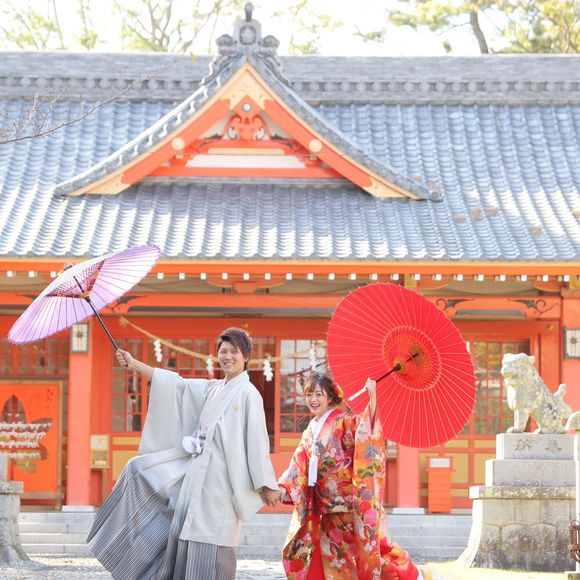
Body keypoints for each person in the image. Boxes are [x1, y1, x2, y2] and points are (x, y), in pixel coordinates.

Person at [87, 327, 280, 580]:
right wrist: (134, 364)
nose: (228, 357)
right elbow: (176, 386)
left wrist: (267, 484)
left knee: (213, 541)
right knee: (141, 473)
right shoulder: (214, 388)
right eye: (223, 351)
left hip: (222, 484)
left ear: (246, 357)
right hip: (196, 477)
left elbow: (256, 440)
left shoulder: (248, 393)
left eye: (234, 352)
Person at [278, 373, 425, 580]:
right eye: (309, 394)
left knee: (356, 559)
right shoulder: (309, 432)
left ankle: (408, 574)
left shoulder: (343, 422)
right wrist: (283, 487)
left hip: (347, 509)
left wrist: (372, 399)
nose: (313, 399)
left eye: (319, 394)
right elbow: (298, 464)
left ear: (330, 397)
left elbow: (366, 430)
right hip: (322, 509)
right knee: (326, 560)